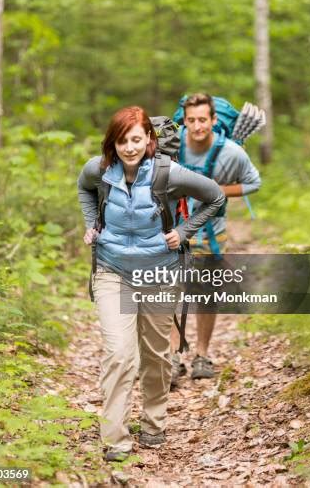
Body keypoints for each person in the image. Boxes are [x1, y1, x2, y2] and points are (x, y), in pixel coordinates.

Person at [77, 105, 225, 461]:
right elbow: (84, 189)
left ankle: (154, 423)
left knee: (156, 356)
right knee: (119, 353)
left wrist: (183, 232)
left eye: (136, 140)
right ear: (113, 142)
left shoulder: (167, 173)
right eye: (122, 140)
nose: (129, 147)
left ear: (149, 141)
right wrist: (91, 223)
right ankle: (115, 439)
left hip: (159, 272)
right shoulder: (97, 170)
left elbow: (215, 197)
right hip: (112, 271)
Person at [170, 93, 261, 385]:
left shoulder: (232, 152)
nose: (197, 126)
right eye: (191, 120)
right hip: (174, 226)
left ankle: (202, 355)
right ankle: (173, 356)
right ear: (184, 121)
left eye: (203, 120)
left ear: (213, 120)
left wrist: (216, 190)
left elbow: (253, 182)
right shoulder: (171, 145)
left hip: (212, 229)